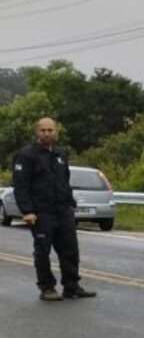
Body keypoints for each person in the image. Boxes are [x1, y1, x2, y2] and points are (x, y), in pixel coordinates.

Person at [11, 118, 97, 301]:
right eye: (43, 130)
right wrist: (27, 210)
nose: (47, 133)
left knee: (70, 250)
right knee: (43, 251)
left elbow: (64, 180)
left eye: (50, 130)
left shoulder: (60, 154)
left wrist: (69, 202)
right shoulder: (27, 155)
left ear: (56, 132)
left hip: (63, 210)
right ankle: (47, 288)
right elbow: (21, 185)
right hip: (42, 212)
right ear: (37, 132)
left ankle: (71, 286)